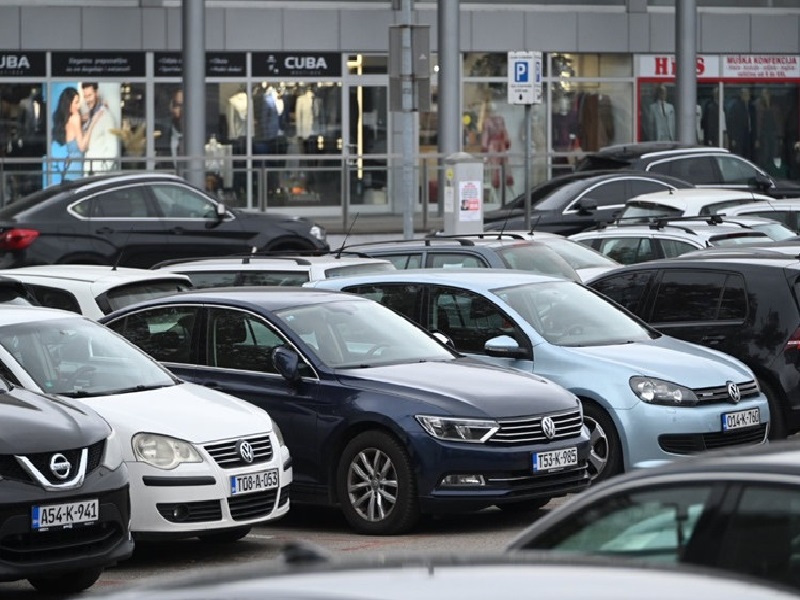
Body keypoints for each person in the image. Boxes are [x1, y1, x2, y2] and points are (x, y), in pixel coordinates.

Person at [50, 86, 103, 185]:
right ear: (69, 104)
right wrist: (93, 123)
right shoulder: (75, 118)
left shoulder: (68, 120)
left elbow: (85, 117)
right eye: (76, 102)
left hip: (69, 171)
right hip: (76, 172)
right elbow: (82, 147)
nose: (78, 106)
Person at [80, 82, 118, 175]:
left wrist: (102, 171)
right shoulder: (89, 116)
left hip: (98, 174)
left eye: (90, 95)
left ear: (97, 93)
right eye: (85, 96)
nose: (87, 100)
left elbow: (112, 149)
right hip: (88, 171)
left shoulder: (106, 116)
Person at [155, 87, 184, 171]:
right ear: (171, 108)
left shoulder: (205, 138)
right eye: (178, 106)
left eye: (187, 106)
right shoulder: (160, 137)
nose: (182, 111)